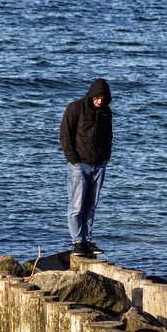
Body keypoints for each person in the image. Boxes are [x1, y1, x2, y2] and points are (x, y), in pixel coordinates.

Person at [60, 78, 113, 259]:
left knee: (91, 205)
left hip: (98, 165)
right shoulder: (75, 108)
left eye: (103, 98)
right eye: (97, 97)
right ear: (91, 95)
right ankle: (78, 242)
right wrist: (73, 159)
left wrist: (106, 158)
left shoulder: (106, 113)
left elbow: (109, 136)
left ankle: (87, 240)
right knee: (76, 206)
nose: (100, 101)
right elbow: (65, 135)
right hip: (79, 165)